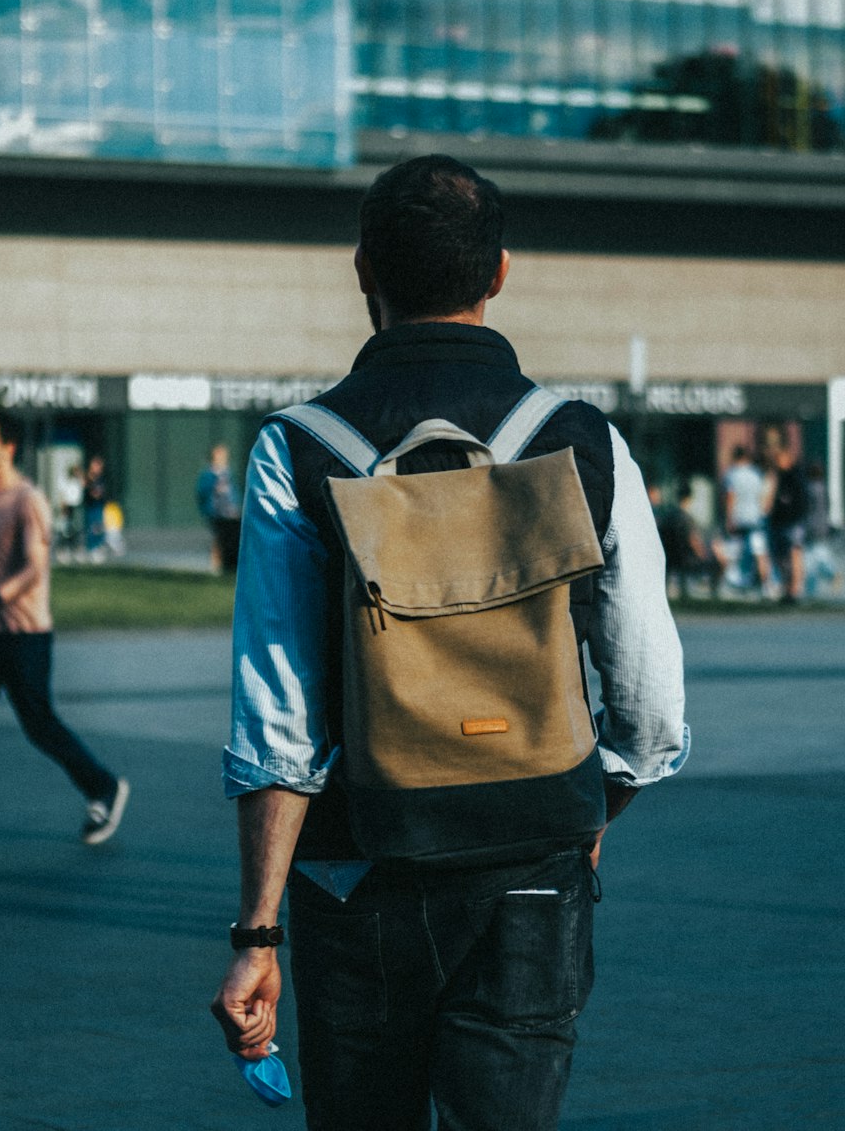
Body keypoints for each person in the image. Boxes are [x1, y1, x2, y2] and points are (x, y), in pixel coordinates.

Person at [210, 155, 689, 1131]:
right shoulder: (583, 442)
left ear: (362, 272)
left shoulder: (300, 448)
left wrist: (258, 934)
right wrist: (589, 809)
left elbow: (279, 719)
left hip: (358, 868)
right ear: (500, 272)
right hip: (533, 861)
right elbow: (650, 701)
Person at [0, 409, 129, 859]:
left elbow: (36, 568)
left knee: (39, 726)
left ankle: (104, 787)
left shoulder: (27, 499)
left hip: (24, 636)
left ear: (7, 447)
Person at [649, 480, 726, 597]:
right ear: (690, 498)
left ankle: (682, 592)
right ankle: (714, 594)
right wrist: (705, 555)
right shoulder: (686, 519)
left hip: (670, 559)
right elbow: (693, 542)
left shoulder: (667, 517)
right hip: (687, 559)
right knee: (719, 562)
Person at [722, 444, 772, 594]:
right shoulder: (756, 474)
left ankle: (732, 582)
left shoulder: (731, 474)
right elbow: (764, 497)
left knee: (734, 552)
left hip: (739, 518)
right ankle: (765, 585)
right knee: (760, 551)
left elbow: (731, 497)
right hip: (756, 517)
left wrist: (729, 518)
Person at [767, 437, 807, 604]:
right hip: (780, 523)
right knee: (782, 559)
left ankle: (794, 590)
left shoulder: (794, 477)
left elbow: (800, 502)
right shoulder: (778, 477)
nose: (778, 462)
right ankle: (786, 588)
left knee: (794, 556)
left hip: (793, 523)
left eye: (780, 458)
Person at [195, 444, 242, 573]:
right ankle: (216, 564)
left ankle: (227, 563)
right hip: (216, 511)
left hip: (229, 511)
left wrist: (235, 507)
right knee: (218, 537)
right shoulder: (208, 474)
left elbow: (233, 492)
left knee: (230, 537)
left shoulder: (228, 473)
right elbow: (201, 492)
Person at [803, 460, 839, 598]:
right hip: (822, 526)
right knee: (818, 554)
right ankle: (829, 575)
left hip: (811, 526)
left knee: (812, 559)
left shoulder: (809, 488)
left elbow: (807, 509)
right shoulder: (823, 488)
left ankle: (829, 575)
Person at [82, 455, 108, 561]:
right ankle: (91, 548)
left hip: (98, 505)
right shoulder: (88, 477)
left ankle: (98, 546)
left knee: (98, 526)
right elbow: (87, 489)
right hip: (90, 505)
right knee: (91, 526)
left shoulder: (101, 479)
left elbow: (100, 492)